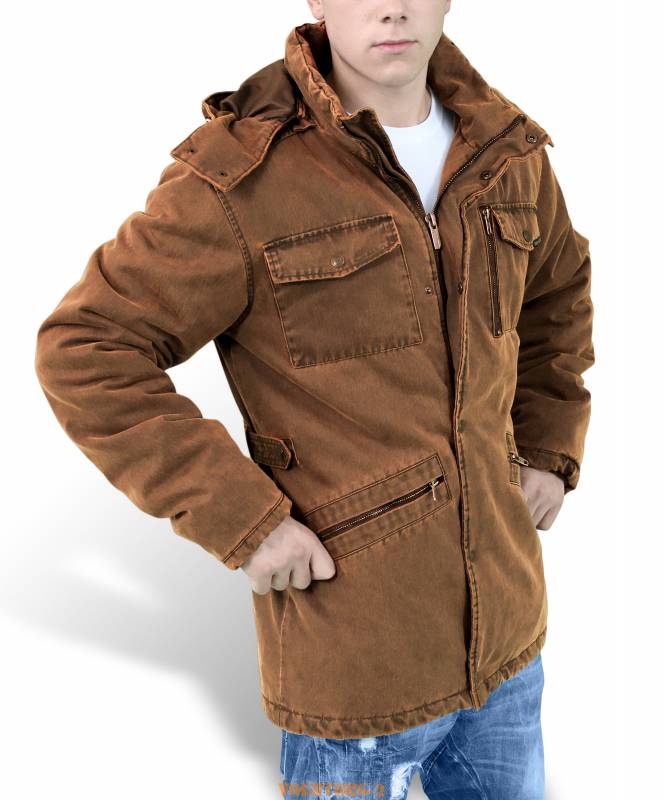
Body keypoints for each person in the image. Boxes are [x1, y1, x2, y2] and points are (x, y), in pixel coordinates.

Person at [34, 2, 594, 798]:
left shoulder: (503, 147)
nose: (392, 7)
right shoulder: (242, 179)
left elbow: (557, 294)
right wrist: (246, 522)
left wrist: (548, 445)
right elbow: (86, 347)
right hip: (355, 671)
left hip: (509, 647)